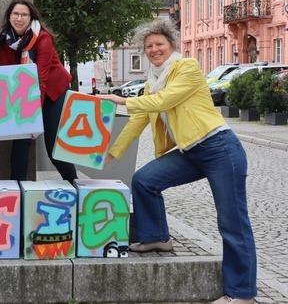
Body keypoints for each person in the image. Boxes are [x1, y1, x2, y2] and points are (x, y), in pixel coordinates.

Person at [98, 19, 256, 304]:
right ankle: (156, 236)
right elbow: (139, 121)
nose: (154, 49)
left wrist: (121, 101)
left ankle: (241, 293)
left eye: (159, 44)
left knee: (232, 223)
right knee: (145, 180)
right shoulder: (152, 81)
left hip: (219, 148)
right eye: (148, 46)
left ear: (171, 45)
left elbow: (165, 101)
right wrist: (111, 153)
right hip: (190, 152)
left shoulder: (187, 68)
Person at [0, 0, 76, 183]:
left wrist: (31, 116)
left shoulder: (43, 38)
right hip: (24, 93)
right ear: (9, 16)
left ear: (31, 18)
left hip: (52, 92)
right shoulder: (4, 41)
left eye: (24, 14)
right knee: (20, 142)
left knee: (53, 147)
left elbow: (40, 78)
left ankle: (76, 186)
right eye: (15, 13)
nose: (19, 18)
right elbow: (8, 73)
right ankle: (17, 192)